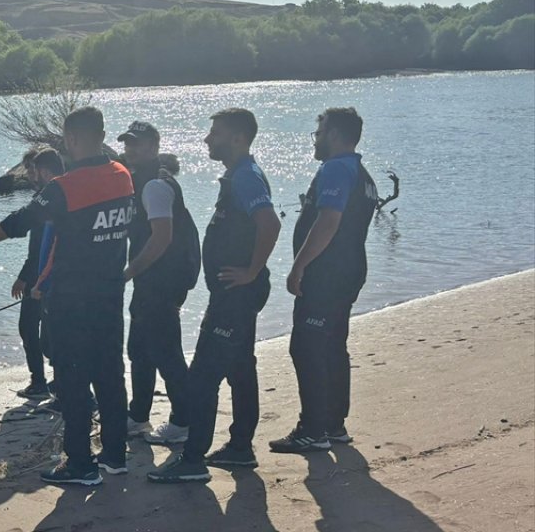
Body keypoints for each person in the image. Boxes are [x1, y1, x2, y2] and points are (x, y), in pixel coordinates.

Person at [0, 107, 135, 487]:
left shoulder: (66, 186)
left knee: (72, 380)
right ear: (102, 134)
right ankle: (115, 455)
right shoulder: (123, 177)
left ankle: (80, 464)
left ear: (71, 139)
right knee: (110, 375)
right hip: (110, 294)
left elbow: (20, 222)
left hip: (72, 298)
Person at [149, 108, 280, 484]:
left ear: (238, 138)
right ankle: (240, 447)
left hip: (236, 295)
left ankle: (192, 460)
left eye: (216, 133)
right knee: (240, 368)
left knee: (202, 377)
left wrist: (252, 270)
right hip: (236, 292)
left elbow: (269, 223)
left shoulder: (246, 178)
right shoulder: (238, 176)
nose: (208, 139)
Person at [271, 108, 378, 454]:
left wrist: (298, 266)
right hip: (349, 270)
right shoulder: (361, 174)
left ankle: (313, 428)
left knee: (307, 346)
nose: (315, 139)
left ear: (333, 135)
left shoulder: (336, 168)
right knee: (332, 345)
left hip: (327, 274)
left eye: (318, 132)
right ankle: (333, 424)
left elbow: (328, 221)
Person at [118, 121, 202, 445]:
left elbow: (161, 237)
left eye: (137, 144)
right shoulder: (142, 181)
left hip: (162, 281)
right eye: (127, 144)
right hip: (150, 280)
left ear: (154, 146)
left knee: (165, 352)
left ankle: (183, 421)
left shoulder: (154, 185)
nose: (130, 150)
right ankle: (138, 417)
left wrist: (127, 273)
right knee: (139, 350)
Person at [10, 147, 65, 400]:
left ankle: (47, 381)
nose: (31, 174)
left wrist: (24, 277)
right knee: (34, 330)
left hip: (44, 276)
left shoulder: (48, 199)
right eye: (29, 169)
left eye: (33, 169)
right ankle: (45, 380)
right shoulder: (42, 198)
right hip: (40, 273)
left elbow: (39, 248)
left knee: (40, 332)